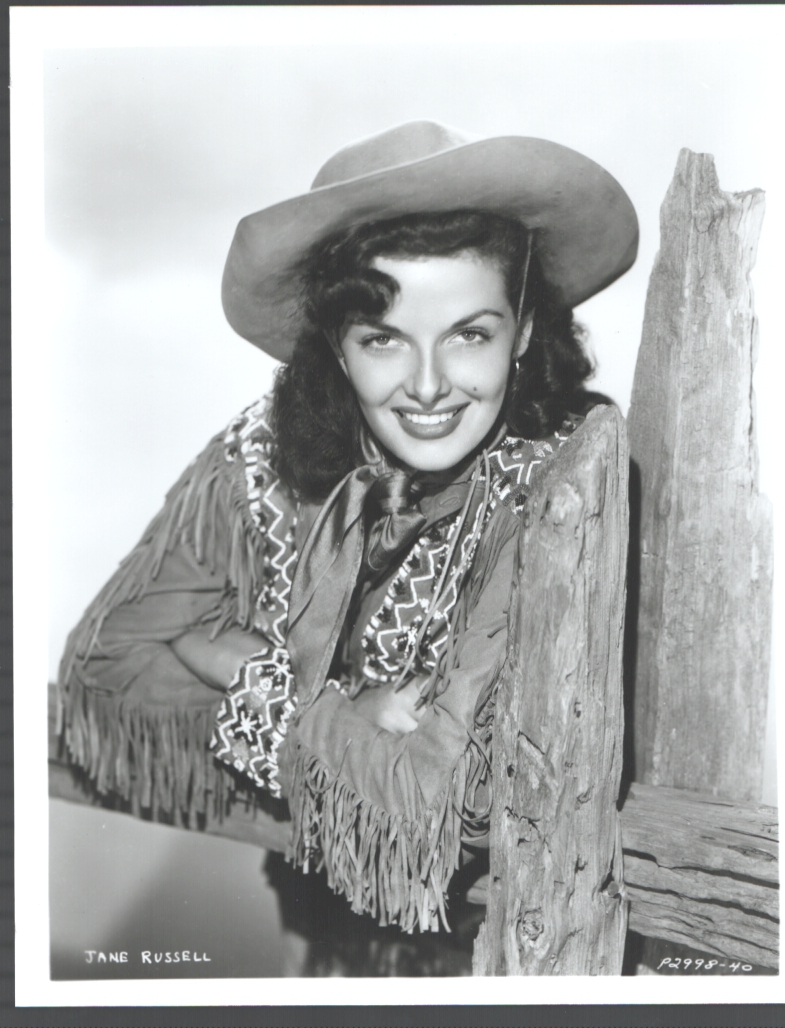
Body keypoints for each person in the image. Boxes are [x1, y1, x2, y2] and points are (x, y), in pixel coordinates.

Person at [58, 121, 638, 936]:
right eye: (383, 339)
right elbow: (106, 668)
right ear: (337, 344)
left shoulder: (555, 492)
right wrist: (341, 709)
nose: (428, 387)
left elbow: (442, 803)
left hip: (501, 948)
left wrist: (226, 659)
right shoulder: (262, 451)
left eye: (470, 334)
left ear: (525, 332)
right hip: (314, 927)